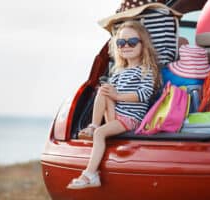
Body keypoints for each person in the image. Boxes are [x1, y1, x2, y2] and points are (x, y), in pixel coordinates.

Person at [66, 20, 160, 190]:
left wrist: (117, 96)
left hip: (131, 118)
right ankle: (94, 125)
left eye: (132, 42)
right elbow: (110, 96)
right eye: (121, 42)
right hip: (115, 115)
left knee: (101, 134)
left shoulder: (146, 69)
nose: (126, 46)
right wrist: (111, 93)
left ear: (143, 45)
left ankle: (90, 174)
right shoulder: (118, 71)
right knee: (104, 89)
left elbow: (144, 94)